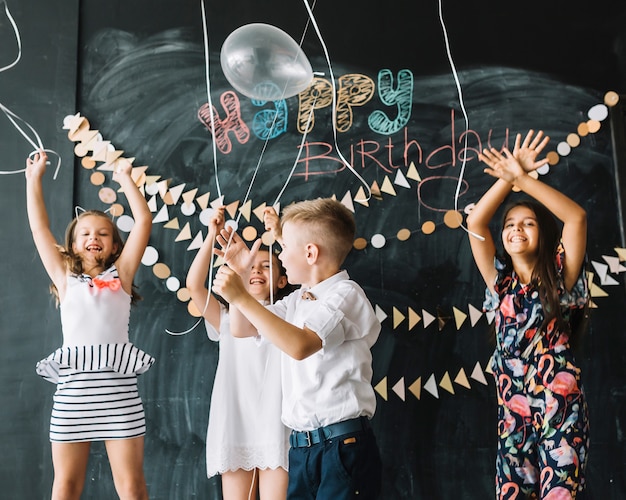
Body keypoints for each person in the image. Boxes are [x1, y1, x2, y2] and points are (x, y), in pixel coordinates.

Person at [211, 198, 382, 500]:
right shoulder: (297, 300)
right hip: (303, 448)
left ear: (310, 253)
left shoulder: (345, 294)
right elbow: (244, 328)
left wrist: (242, 298)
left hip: (343, 445)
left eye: (283, 247)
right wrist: (239, 278)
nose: (281, 255)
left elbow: (300, 345)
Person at [466, 130, 590, 498]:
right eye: (509, 224)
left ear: (544, 234)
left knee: (559, 493)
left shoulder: (560, 274)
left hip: (560, 404)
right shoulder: (498, 281)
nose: (516, 229)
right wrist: (506, 178)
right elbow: (475, 224)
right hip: (512, 413)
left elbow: (576, 218)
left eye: (528, 223)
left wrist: (522, 180)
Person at [26, 150, 154, 500]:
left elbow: (143, 221)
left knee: (132, 486)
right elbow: (39, 227)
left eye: (102, 233)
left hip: (118, 395)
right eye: (84, 233)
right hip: (74, 395)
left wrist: (126, 177)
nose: (92, 237)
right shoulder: (64, 277)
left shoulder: (122, 274)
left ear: (115, 246)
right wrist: (33, 179)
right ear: (71, 244)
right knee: (66, 486)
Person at [186, 206, 293, 500]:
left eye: (267, 266)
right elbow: (194, 286)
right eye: (250, 267)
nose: (256, 270)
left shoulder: (289, 315)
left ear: (283, 281)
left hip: (276, 421)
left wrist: (280, 235)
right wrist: (211, 236)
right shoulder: (227, 318)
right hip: (234, 419)